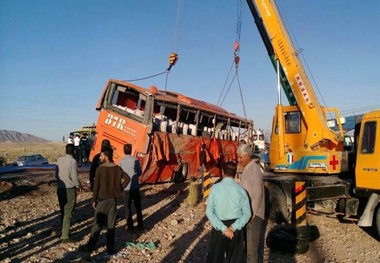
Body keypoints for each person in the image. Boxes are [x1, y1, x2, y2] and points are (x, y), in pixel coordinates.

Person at [85, 147, 130, 255]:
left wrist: (94, 199)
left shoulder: (100, 169)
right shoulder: (117, 168)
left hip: (103, 200)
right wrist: (119, 188)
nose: (99, 158)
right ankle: (110, 248)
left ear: (105, 156)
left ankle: (90, 247)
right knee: (111, 225)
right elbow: (127, 178)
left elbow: (96, 186)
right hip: (113, 200)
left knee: (97, 224)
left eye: (101, 156)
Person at [206, 161, 251, 263]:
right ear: (235, 174)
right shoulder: (241, 190)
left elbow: (209, 212)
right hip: (236, 228)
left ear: (222, 172)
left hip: (219, 227)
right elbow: (247, 214)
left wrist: (224, 229)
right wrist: (232, 228)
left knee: (215, 259)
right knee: (236, 259)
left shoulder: (215, 189)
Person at [237, 144, 266, 263]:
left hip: (254, 214)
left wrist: (252, 213)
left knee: (251, 250)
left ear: (247, 156)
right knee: (246, 247)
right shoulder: (246, 169)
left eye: (240, 157)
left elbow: (258, 194)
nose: (239, 160)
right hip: (247, 213)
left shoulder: (254, 169)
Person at [55, 143, 83, 243]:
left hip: (60, 188)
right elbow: (74, 177)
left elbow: (56, 175)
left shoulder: (59, 160)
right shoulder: (73, 161)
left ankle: (63, 230)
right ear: (74, 151)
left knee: (63, 210)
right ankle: (65, 236)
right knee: (68, 211)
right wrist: (79, 186)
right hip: (69, 189)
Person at [119, 143, 144, 232]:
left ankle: (130, 227)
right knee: (138, 206)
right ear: (131, 150)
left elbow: (120, 175)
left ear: (124, 151)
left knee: (127, 207)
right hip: (135, 187)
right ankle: (140, 225)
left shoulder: (121, 161)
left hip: (126, 188)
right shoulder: (135, 160)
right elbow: (140, 172)